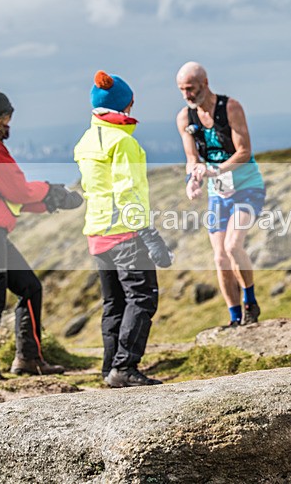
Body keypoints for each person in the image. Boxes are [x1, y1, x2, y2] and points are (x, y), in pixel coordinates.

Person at [0, 86, 83, 381]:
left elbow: (5, 198)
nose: (8, 125)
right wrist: (53, 192)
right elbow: (18, 190)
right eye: (5, 118)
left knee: (29, 287)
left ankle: (28, 358)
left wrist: (49, 202)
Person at [75, 71, 171, 388]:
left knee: (114, 302)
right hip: (125, 233)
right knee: (142, 298)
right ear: (124, 104)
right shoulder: (123, 143)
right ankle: (125, 367)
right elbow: (127, 191)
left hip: (97, 232)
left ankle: (109, 367)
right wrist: (149, 234)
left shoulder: (86, 141)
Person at [176, 62, 266, 328]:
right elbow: (192, 159)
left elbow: (243, 151)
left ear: (204, 83)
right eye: (181, 90)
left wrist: (214, 171)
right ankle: (234, 317)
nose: (186, 95)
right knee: (219, 257)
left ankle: (250, 302)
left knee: (233, 246)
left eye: (190, 89)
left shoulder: (230, 107)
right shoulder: (185, 117)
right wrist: (191, 181)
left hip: (247, 186)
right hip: (219, 193)